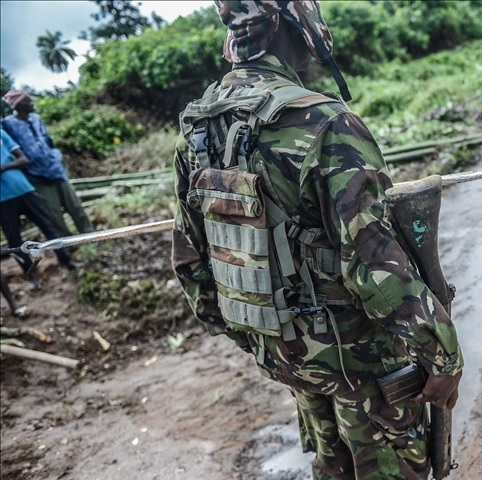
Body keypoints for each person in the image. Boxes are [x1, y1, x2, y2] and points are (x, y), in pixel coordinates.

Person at [171, 2, 463, 479]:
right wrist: (443, 354)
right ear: (299, 26)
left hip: (285, 355)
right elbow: (372, 261)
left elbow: (191, 264)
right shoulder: (325, 121)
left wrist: (266, 339)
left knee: (333, 467)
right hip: (362, 365)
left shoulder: (197, 128)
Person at [2, 90, 94, 237]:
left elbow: (47, 140)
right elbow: (10, 149)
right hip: (36, 176)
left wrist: (55, 155)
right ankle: (69, 243)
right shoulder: (8, 124)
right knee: (53, 213)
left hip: (55, 169)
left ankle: (89, 236)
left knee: (75, 206)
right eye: (28, 101)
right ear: (19, 105)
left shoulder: (36, 119)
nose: (32, 103)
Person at [1, 128, 77, 290]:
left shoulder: (1, 133)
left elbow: (23, 160)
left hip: (23, 189)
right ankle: (33, 276)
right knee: (14, 241)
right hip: (2, 200)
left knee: (48, 225)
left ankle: (66, 261)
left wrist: (2, 168)